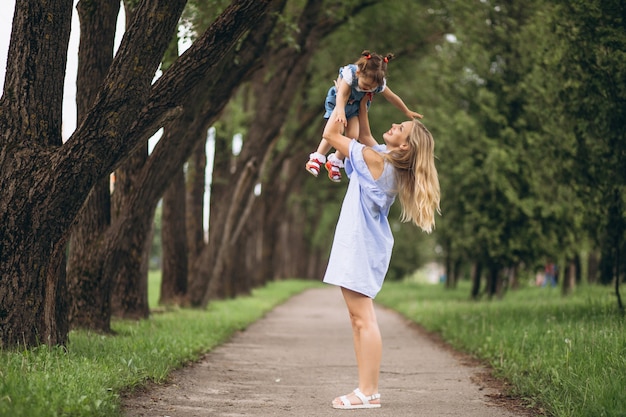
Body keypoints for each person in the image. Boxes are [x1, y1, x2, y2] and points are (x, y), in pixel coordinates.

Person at [321, 96, 440, 409]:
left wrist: (342, 98)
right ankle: (365, 389)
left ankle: (369, 391)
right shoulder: (387, 159)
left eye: (400, 127)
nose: (394, 125)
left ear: (404, 147)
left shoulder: (378, 162)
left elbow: (334, 136)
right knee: (358, 318)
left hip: (360, 245)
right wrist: (361, 103)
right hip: (362, 243)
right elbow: (364, 138)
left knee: (363, 319)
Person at [305, 50, 423, 183]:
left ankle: (336, 161)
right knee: (337, 131)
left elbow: (392, 97)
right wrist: (340, 112)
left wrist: (406, 111)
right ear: (358, 73)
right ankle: (317, 157)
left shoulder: (377, 83)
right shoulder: (351, 74)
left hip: (354, 107)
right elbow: (342, 95)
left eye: (371, 88)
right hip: (340, 103)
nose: (367, 89)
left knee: (354, 135)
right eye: (365, 85)